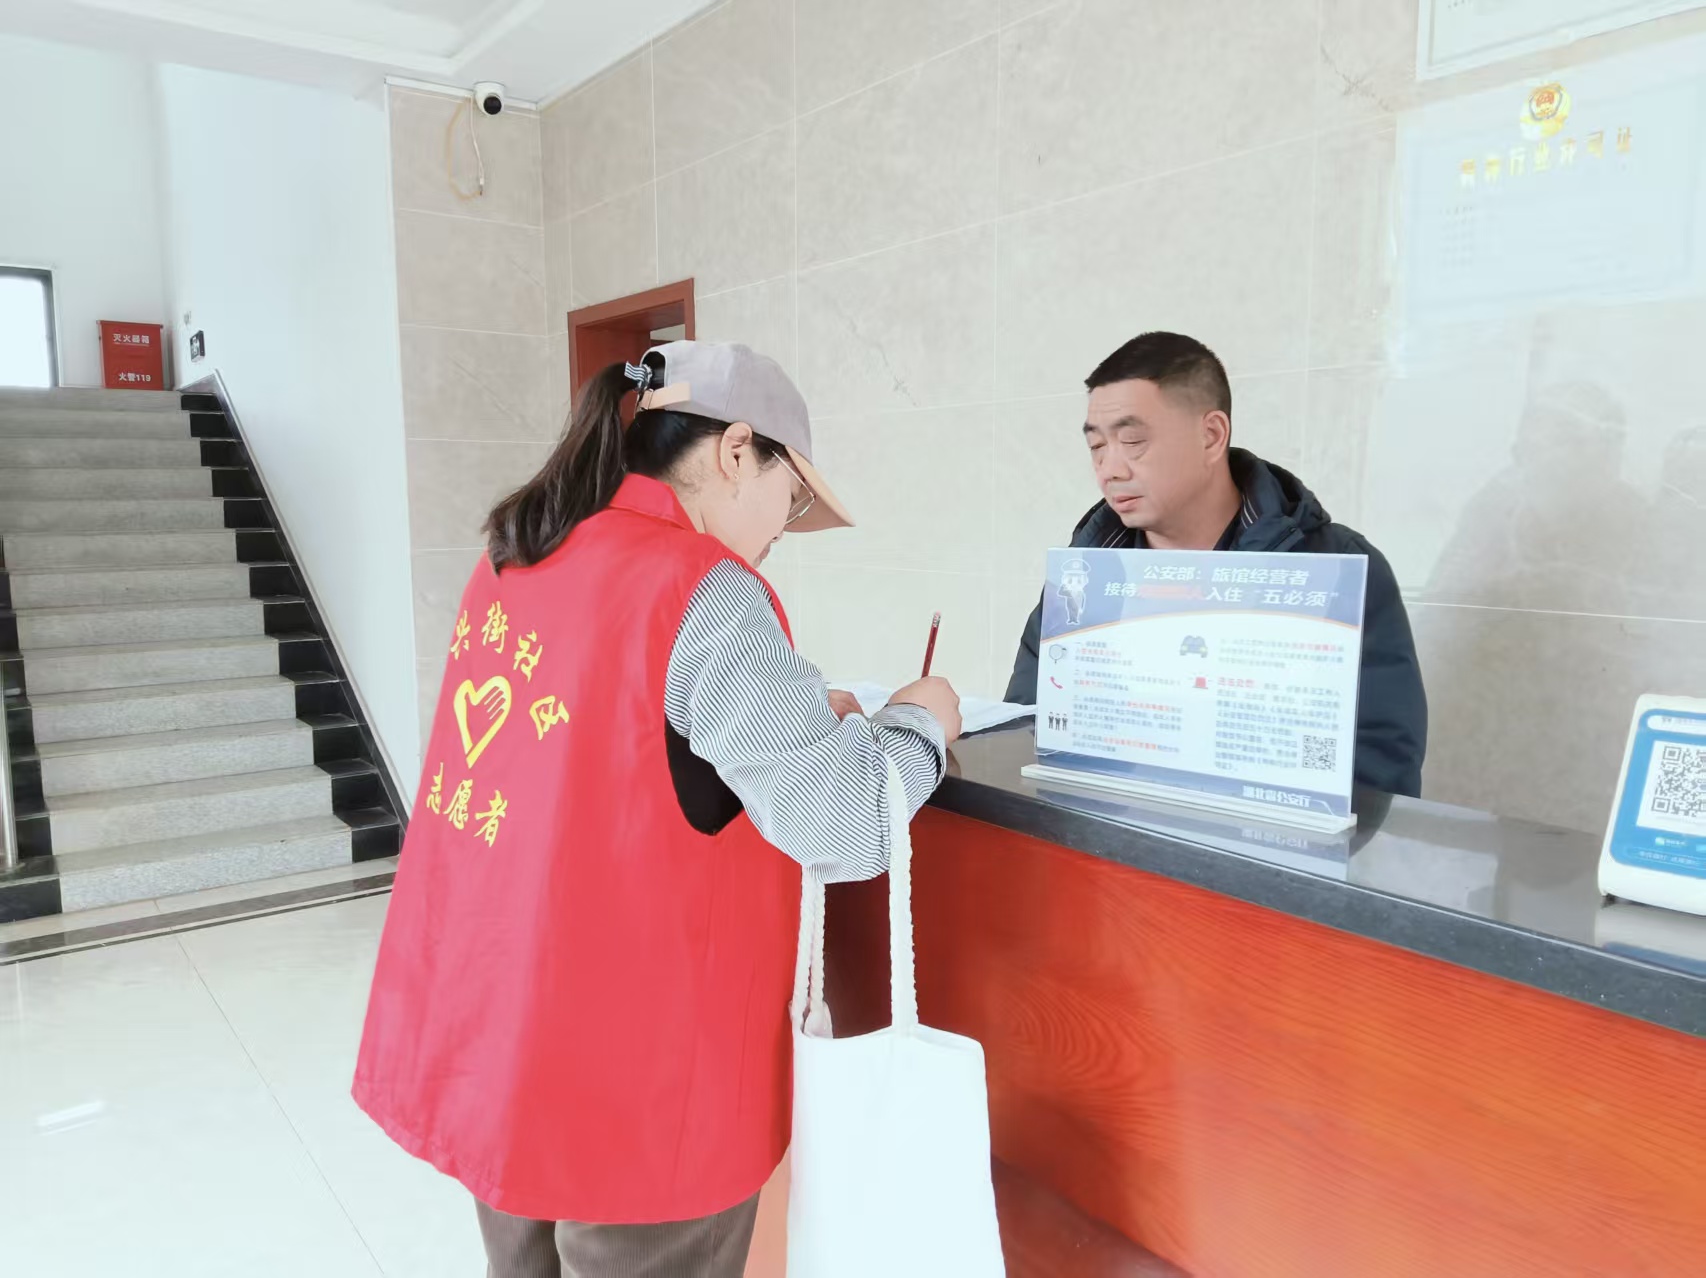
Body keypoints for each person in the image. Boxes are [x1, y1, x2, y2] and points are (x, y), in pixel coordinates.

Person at [353, 341, 962, 1278]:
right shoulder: (702, 586)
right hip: (638, 1077)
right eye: (791, 498)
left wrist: (796, 715)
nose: (782, 530)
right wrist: (920, 723)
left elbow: (600, 757)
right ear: (736, 451)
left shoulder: (519, 556)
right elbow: (845, 821)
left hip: (504, 1041)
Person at [1005, 331, 1427, 797]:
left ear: (1211, 436)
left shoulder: (1334, 568)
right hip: (1099, 834)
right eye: (1097, 447)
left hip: (1264, 839)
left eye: (1132, 440)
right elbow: (1024, 728)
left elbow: (1381, 771)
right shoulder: (1085, 574)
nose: (1111, 469)